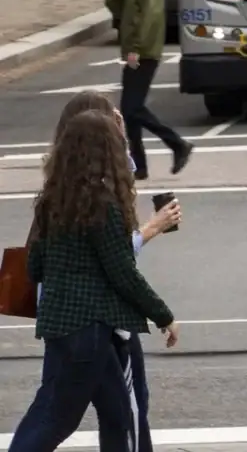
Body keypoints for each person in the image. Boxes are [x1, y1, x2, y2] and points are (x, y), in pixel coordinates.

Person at [9, 110, 181, 452]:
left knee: (116, 412)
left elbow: (36, 265)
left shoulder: (52, 200)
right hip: (91, 328)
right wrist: (164, 315)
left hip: (60, 325)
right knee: (56, 418)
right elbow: (123, 274)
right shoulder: (104, 205)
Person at [105, 0, 191, 179]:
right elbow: (116, 10)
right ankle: (139, 165)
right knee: (130, 110)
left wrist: (137, 49)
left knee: (132, 107)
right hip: (136, 52)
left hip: (144, 53)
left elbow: (150, 17)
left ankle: (177, 144)